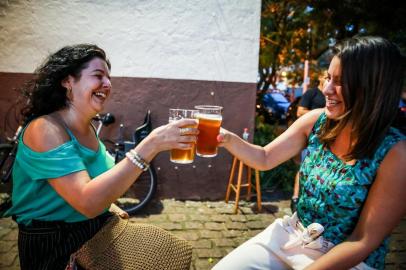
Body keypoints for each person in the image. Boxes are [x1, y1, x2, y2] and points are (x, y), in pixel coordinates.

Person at [213, 36, 406, 269]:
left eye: (339, 82)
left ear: (372, 89)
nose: (326, 89)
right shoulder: (316, 121)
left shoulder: (396, 153)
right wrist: (227, 139)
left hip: (348, 259)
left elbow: (362, 241)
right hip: (293, 236)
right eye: (328, 78)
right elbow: (264, 158)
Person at [3, 44, 198, 269]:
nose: (107, 84)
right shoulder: (45, 129)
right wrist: (150, 145)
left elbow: (95, 186)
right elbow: (87, 201)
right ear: (68, 81)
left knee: (169, 252)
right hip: (56, 244)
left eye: (109, 77)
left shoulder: (89, 130)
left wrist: (111, 207)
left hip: (95, 230)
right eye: (98, 75)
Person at [291, 71, 327, 213]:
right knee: (304, 168)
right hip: (311, 139)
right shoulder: (312, 93)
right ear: (320, 78)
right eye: (326, 77)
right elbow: (300, 111)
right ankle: (295, 198)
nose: (327, 81)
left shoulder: (332, 95)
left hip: (327, 141)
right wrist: (322, 112)